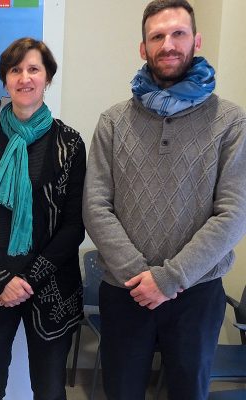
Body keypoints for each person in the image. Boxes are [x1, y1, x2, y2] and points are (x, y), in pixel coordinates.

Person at [83, 1, 246, 398]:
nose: (168, 44)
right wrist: (141, 276)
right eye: (157, 36)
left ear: (196, 41)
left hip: (197, 294)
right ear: (144, 48)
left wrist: (168, 279)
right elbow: (95, 206)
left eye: (178, 34)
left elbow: (233, 213)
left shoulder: (231, 121)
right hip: (125, 291)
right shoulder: (113, 122)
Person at [0, 37, 85, 400]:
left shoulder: (70, 144)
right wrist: (2, 278)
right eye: (16, 70)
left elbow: (74, 226)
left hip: (49, 283)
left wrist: (26, 280)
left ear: (48, 78)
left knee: (49, 390)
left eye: (33, 69)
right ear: (5, 80)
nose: (24, 77)